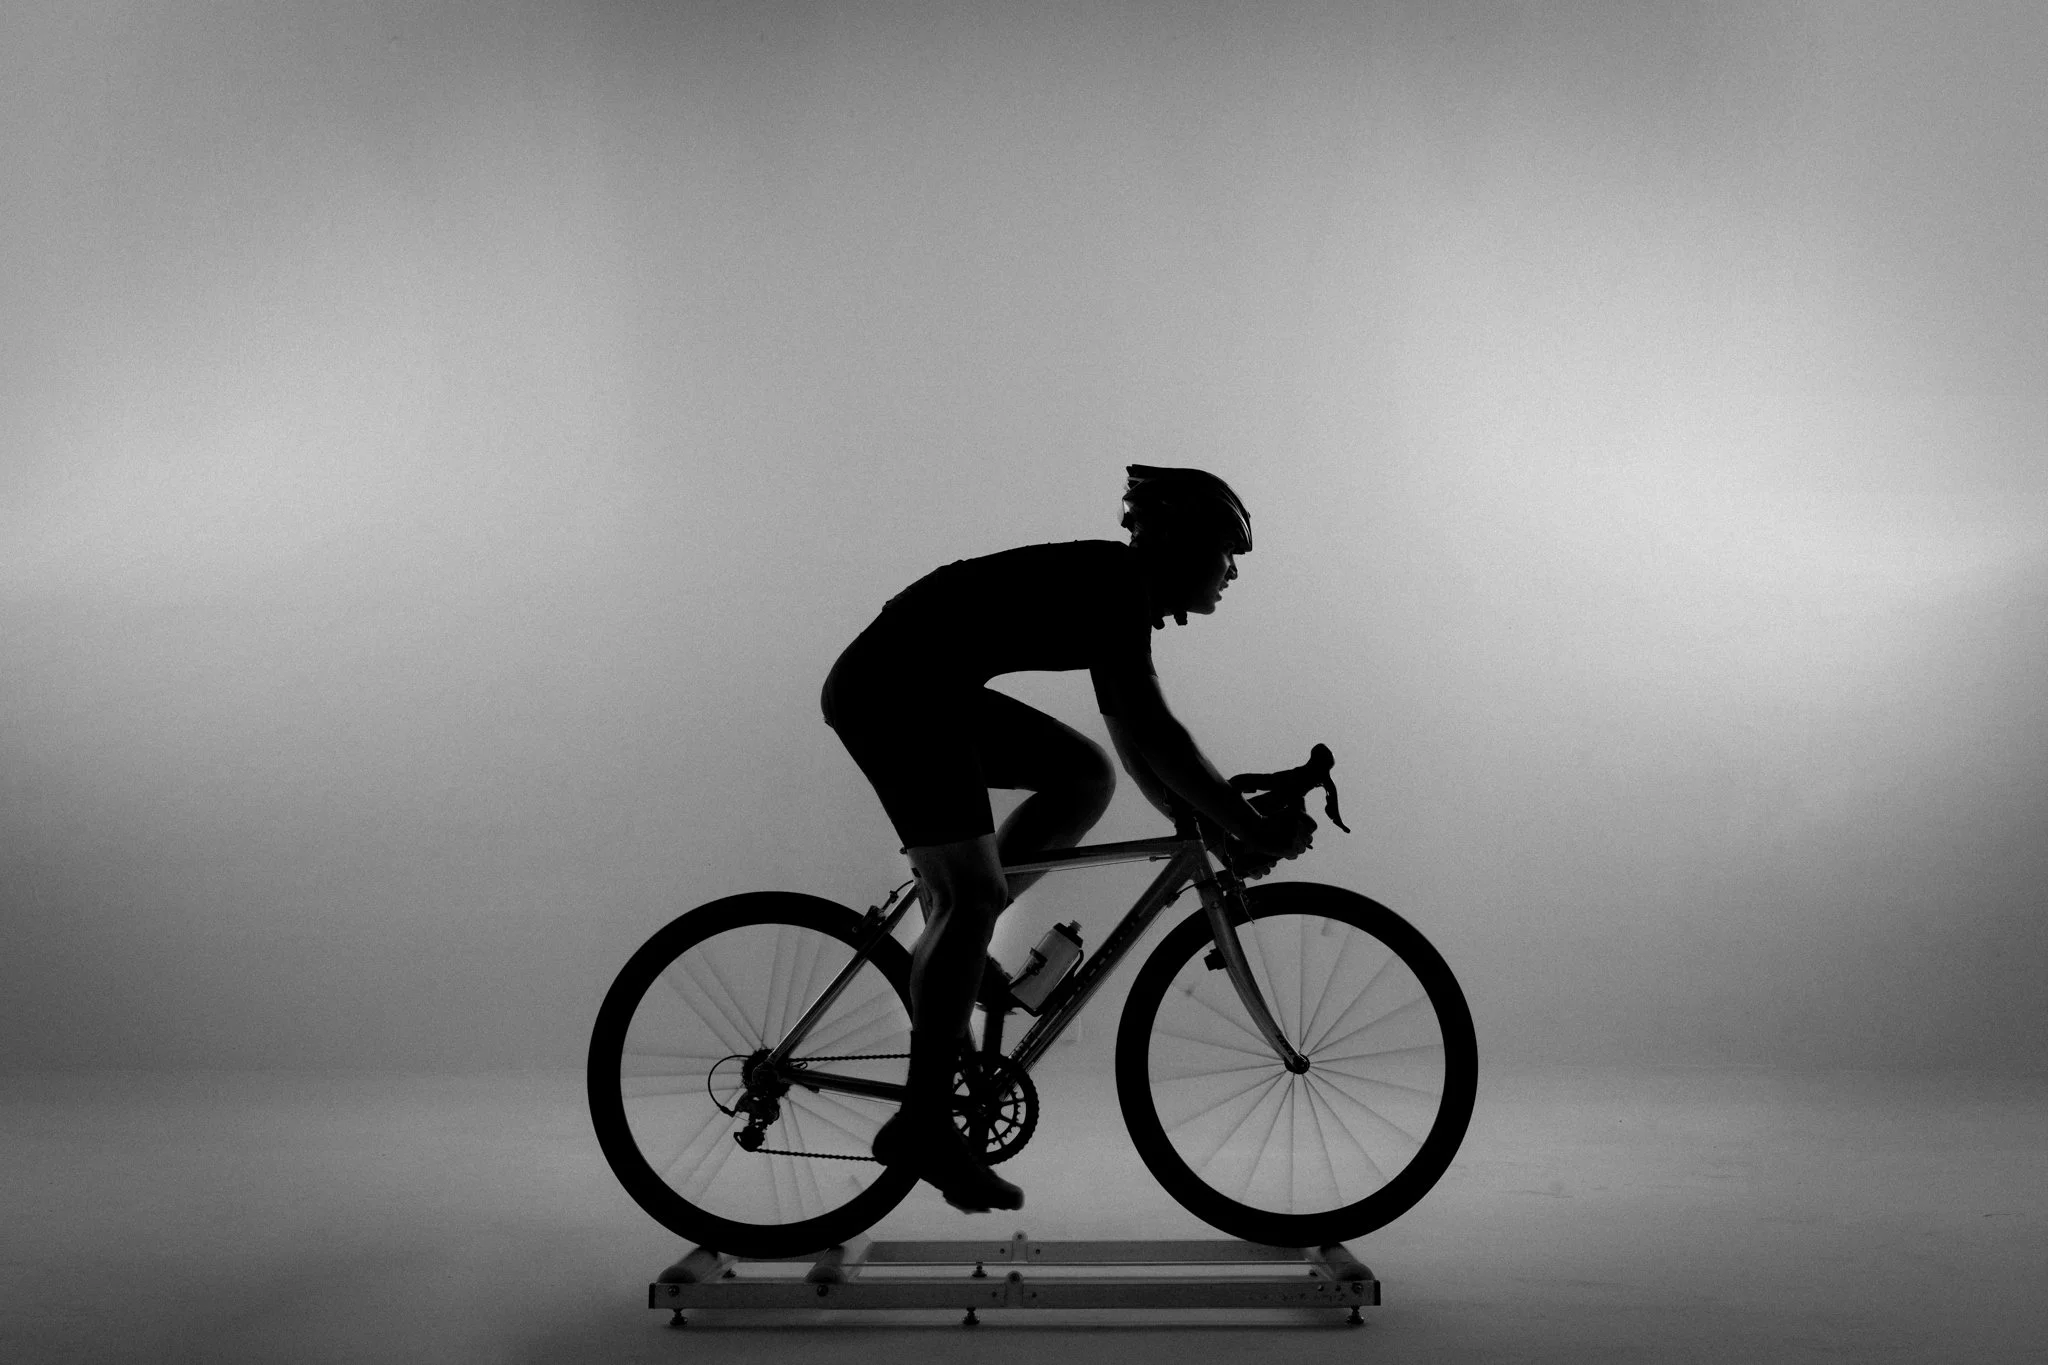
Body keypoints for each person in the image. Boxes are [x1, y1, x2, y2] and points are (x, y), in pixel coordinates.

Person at [818, 465, 1313, 1213]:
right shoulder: (1116, 587)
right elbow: (1161, 735)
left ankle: (954, 924)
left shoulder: (1121, 592)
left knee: (1086, 775)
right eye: (1226, 551)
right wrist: (1243, 826)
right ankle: (921, 1120)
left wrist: (1209, 829)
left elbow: (1141, 753)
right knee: (973, 893)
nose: (1234, 571)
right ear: (1181, 545)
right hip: (898, 690)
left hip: (922, 684)